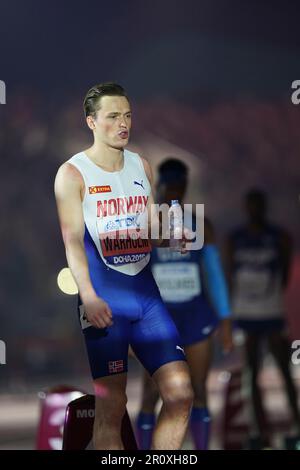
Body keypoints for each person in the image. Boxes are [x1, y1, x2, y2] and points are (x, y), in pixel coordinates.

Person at [54, 82, 194, 450]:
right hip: (103, 299)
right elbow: (72, 242)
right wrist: (88, 296)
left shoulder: (140, 165)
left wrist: (173, 235)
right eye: (113, 116)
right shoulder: (72, 174)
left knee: (181, 394)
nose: (123, 123)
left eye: (128, 115)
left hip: (145, 297)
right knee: (112, 406)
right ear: (91, 122)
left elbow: (151, 230)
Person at [136, 158, 233, 450]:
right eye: (170, 185)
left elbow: (214, 275)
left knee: (199, 388)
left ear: (186, 186)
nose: (175, 191)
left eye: (181, 185)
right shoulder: (147, 226)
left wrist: (225, 319)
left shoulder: (201, 226)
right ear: (159, 187)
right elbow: (135, 275)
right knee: (152, 393)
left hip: (194, 314)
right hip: (158, 317)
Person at [226, 188, 300, 448]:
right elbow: (227, 276)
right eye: (251, 205)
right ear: (246, 208)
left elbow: (285, 271)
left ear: (263, 207)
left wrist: (273, 295)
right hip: (246, 315)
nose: (255, 210)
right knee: (251, 373)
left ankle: (296, 426)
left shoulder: (279, 237)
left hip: (272, 314)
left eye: (259, 204)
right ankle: (258, 432)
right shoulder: (234, 239)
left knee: (283, 370)